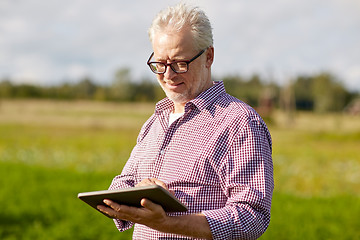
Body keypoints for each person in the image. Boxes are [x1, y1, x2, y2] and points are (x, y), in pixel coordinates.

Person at [97, 3, 274, 240]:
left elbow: (252, 216)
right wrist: (133, 195)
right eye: (160, 64)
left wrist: (169, 223)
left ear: (208, 56)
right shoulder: (155, 121)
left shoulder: (240, 123)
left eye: (180, 63)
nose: (168, 75)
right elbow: (124, 181)